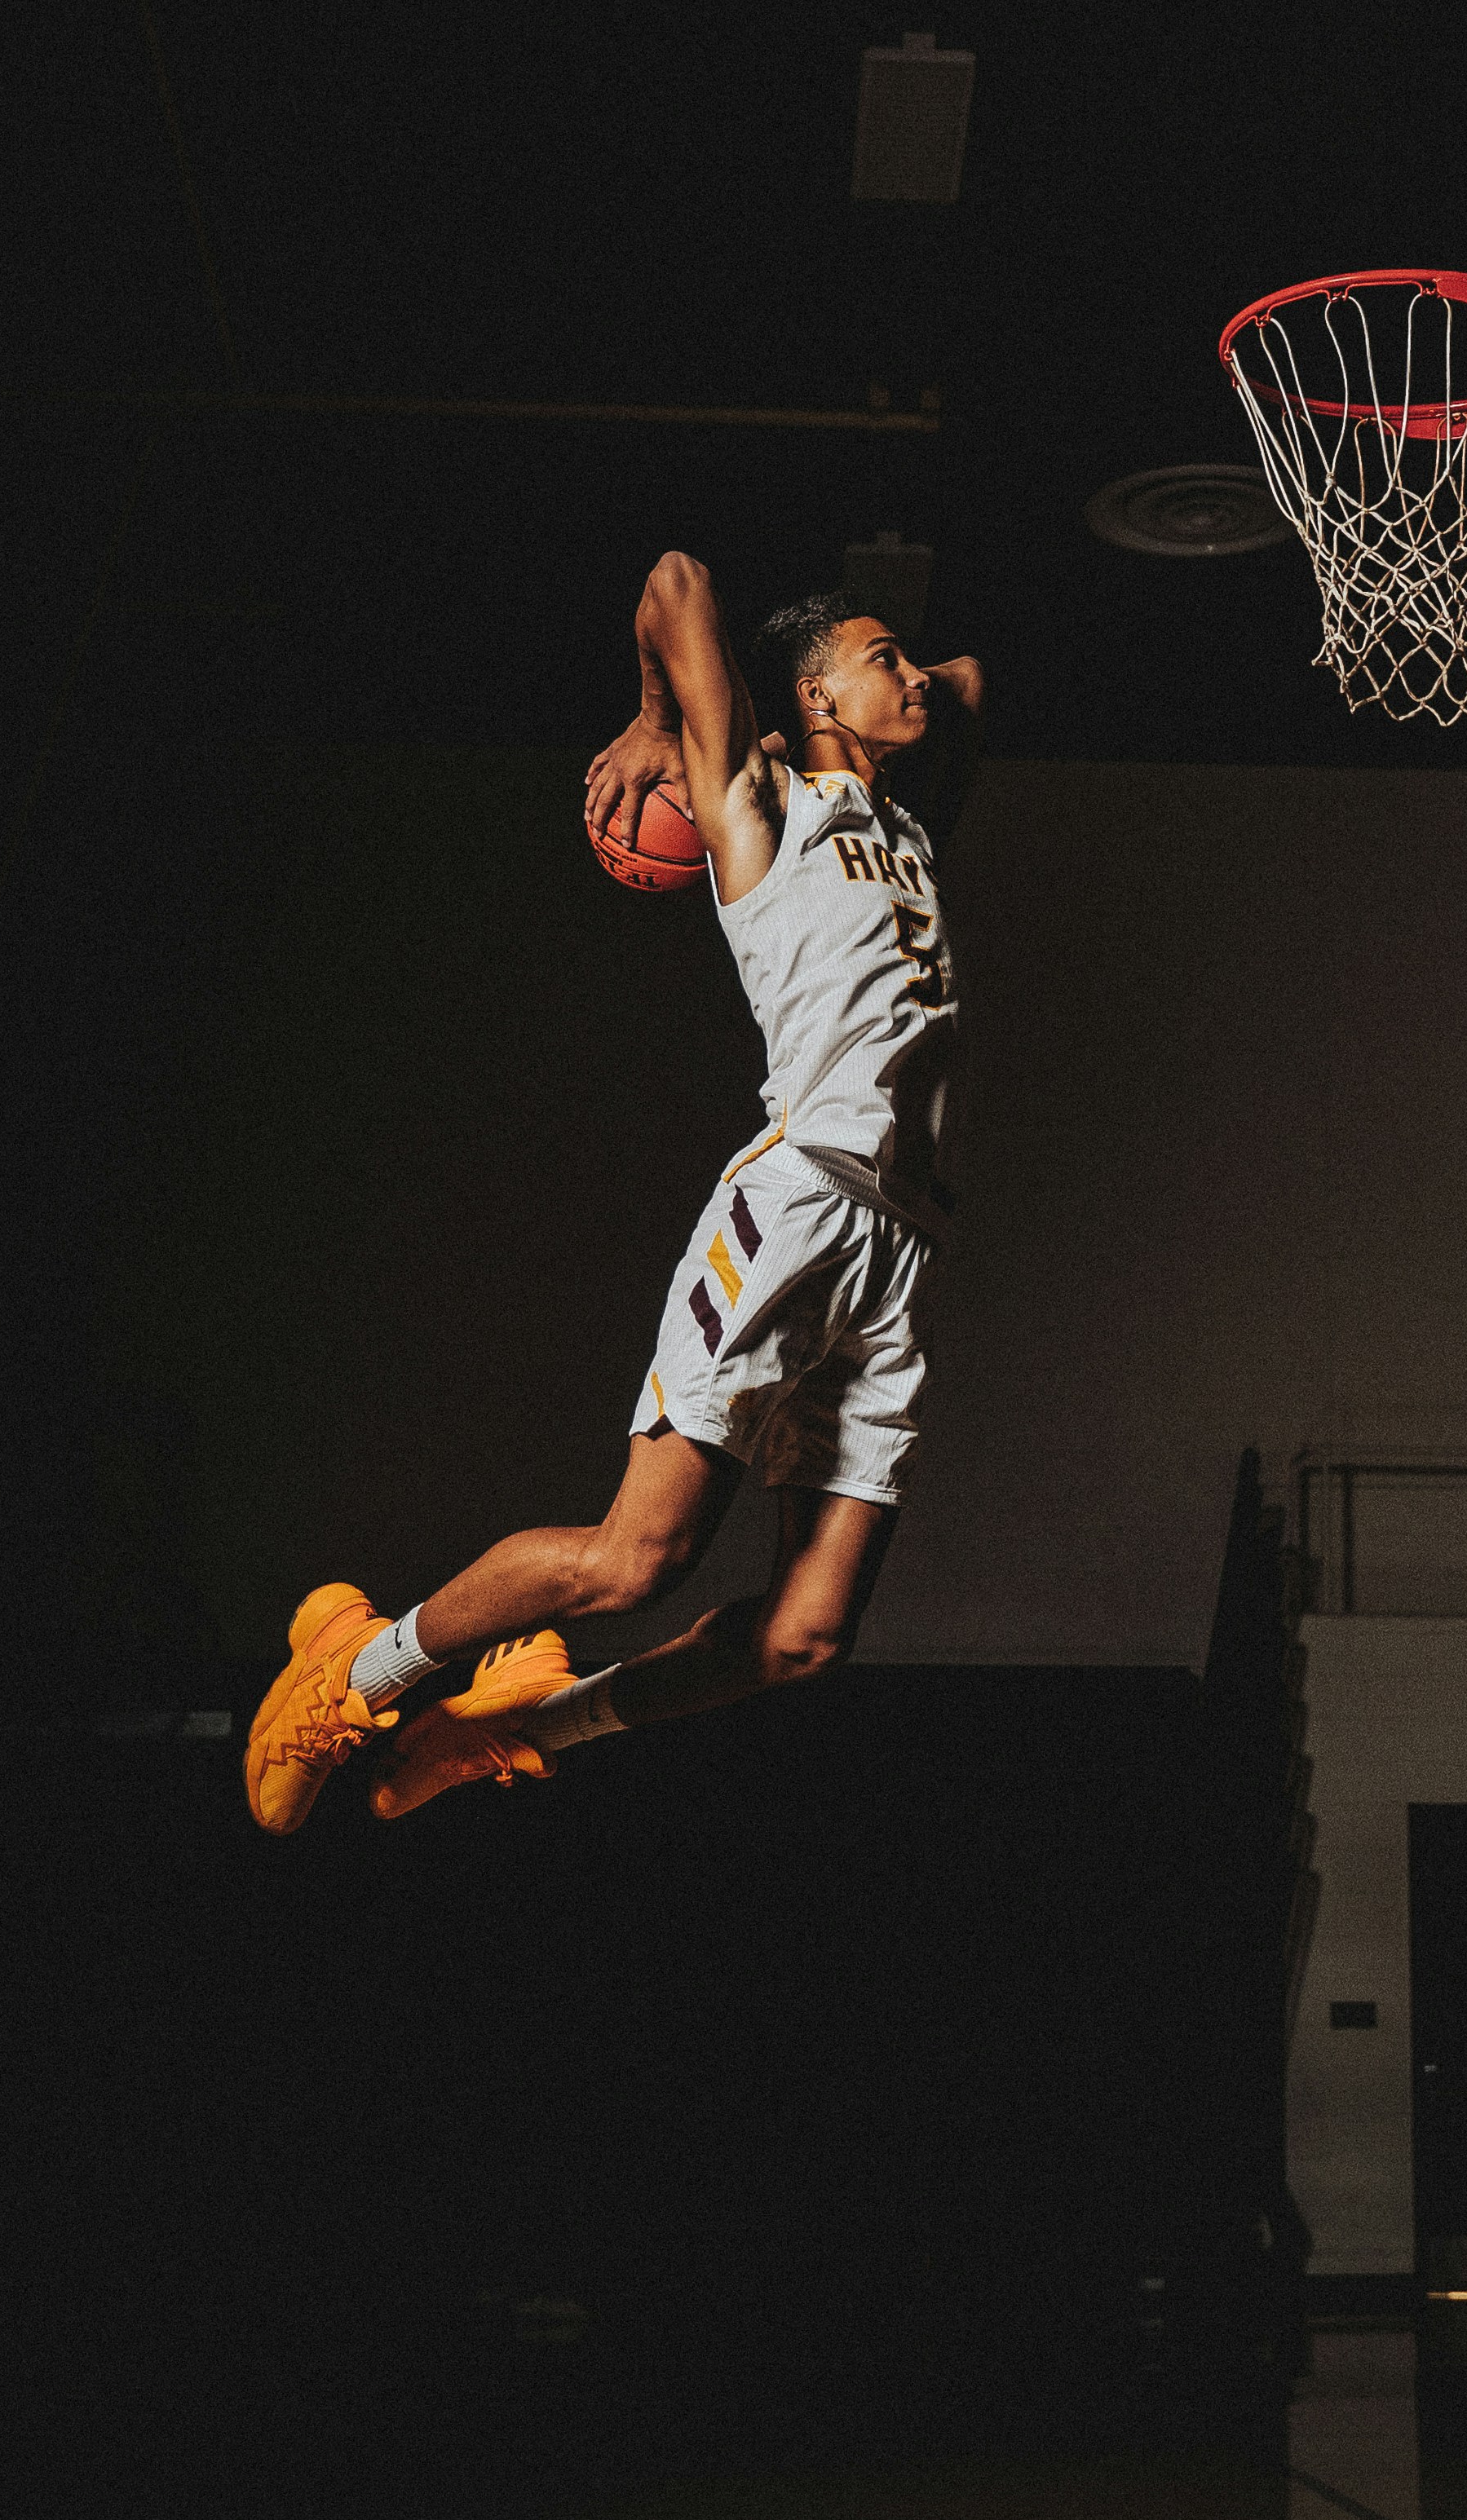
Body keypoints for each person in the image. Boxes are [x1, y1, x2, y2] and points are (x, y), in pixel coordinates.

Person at [243, 550, 982, 1834]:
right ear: (806, 697)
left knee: (806, 1640)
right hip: (797, 1205)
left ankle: (516, 1725)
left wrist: (897, 676)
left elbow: (966, 681)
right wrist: (661, 721)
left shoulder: (906, 824)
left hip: (903, 1249)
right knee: (634, 1561)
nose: (914, 675)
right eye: (883, 661)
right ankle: (354, 1671)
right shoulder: (756, 802)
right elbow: (679, 579)